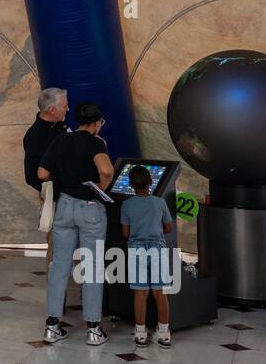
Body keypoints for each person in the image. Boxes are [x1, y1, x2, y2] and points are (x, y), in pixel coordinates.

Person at [41, 102, 112, 345]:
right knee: (91, 266)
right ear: (96, 123)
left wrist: (64, 175)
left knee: (59, 265)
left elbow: (42, 173)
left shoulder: (61, 140)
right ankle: (93, 329)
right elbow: (106, 170)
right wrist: (100, 189)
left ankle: (52, 327)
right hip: (90, 208)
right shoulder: (95, 142)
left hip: (64, 207)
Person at [120, 164, 174, 348]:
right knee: (159, 292)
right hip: (157, 249)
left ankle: (141, 332)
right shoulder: (160, 202)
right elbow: (168, 227)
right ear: (151, 182)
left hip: (137, 250)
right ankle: (164, 332)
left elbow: (126, 233)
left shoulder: (126, 205)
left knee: (140, 292)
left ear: (130, 184)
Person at [25, 88, 69, 269]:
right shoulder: (35, 136)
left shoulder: (61, 127)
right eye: (65, 106)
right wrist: (51, 190)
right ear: (52, 110)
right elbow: (32, 175)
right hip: (55, 196)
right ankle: (57, 289)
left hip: (70, 194)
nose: (68, 109)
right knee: (57, 242)